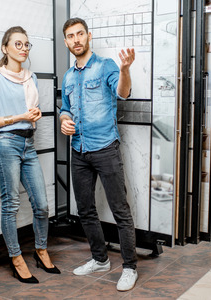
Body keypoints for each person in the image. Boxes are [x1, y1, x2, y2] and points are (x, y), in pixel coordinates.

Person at [60, 17, 138, 292]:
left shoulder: (106, 66)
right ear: (67, 41)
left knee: (120, 210)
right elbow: (66, 107)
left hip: (105, 147)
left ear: (88, 36)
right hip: (78, 150)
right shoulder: (68, 76)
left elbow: (123, 92)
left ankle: (129, 267)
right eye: (71, 36)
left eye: (80, 34)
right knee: (85, 209)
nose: (76, 39)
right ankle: (100, 259)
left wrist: (126, 69)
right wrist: (63, 119)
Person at [0, 26, 60, 284]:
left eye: (26, 44)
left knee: (42, 204)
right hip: (5, 145)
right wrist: (20, 117)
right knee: (11, 204)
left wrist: (32, 115)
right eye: (18, 44)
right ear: (5, 48)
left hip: (28, 143)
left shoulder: (31, 77)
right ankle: (15, 258)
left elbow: (31, 110)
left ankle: (40, 250)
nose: (24, 48)